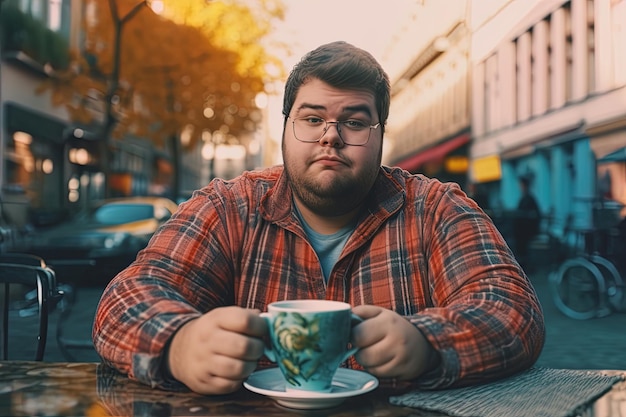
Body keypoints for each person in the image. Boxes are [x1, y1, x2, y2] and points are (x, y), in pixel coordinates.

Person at [93, 41, 545, 395]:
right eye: (312, 118)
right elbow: (125, 300)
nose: (331, 136)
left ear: (381, 134)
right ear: (287, 126)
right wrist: (179, 344)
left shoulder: (436, 208)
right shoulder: (229, 207)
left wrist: (428, 344)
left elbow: (514, 311)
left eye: (354, 121)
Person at [512, 176, 541, 271]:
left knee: (519, 238)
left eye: (521, 185)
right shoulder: (526, 198)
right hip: (524, 229)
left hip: (527, 231)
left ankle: (522, 262)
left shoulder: (528, 198)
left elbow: (532, 216)